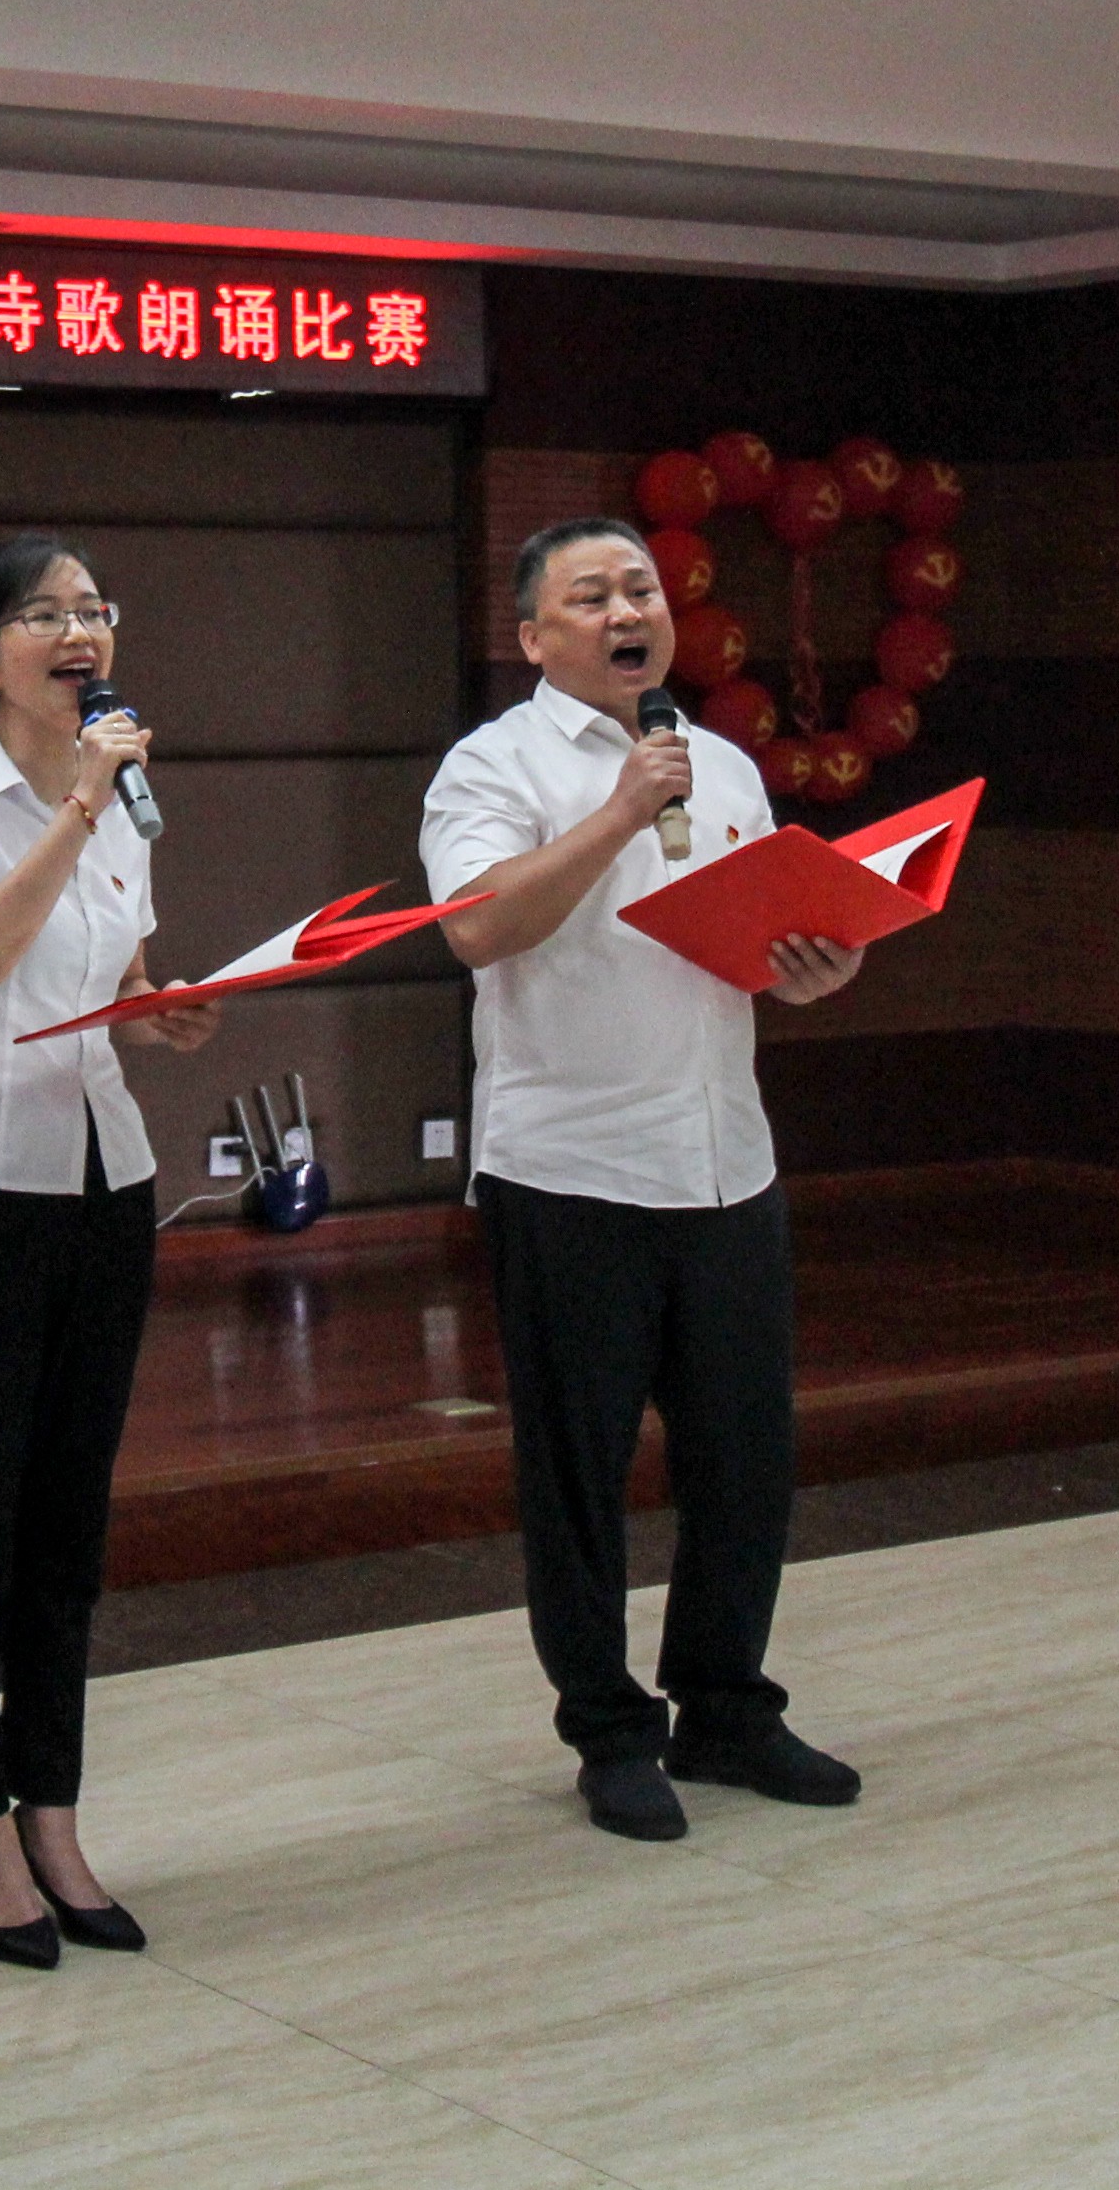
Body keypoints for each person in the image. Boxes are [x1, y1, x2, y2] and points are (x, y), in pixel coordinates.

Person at [422, 517, 869, 1844]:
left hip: (725, 1157)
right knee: (580, 1472)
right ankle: (611, 1732)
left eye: (642, 590)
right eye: (593, 596)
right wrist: (619, 809)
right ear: (534, 636)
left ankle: (725, 1706)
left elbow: (750, 941)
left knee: (745, 1460)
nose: (630, 611)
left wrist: (816, 964)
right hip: (571, 1167)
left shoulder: (720, 763)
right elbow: (477, 925)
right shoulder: (490, 767)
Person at [0, 534, 221, 1967]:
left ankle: (56, 1812)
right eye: (42, 616)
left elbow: (109, 972)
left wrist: (161, 1008)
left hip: (104, 1181)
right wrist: (81, 801)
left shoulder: (122, 798)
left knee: (69, 1523)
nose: (78, 634)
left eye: (92, 611)